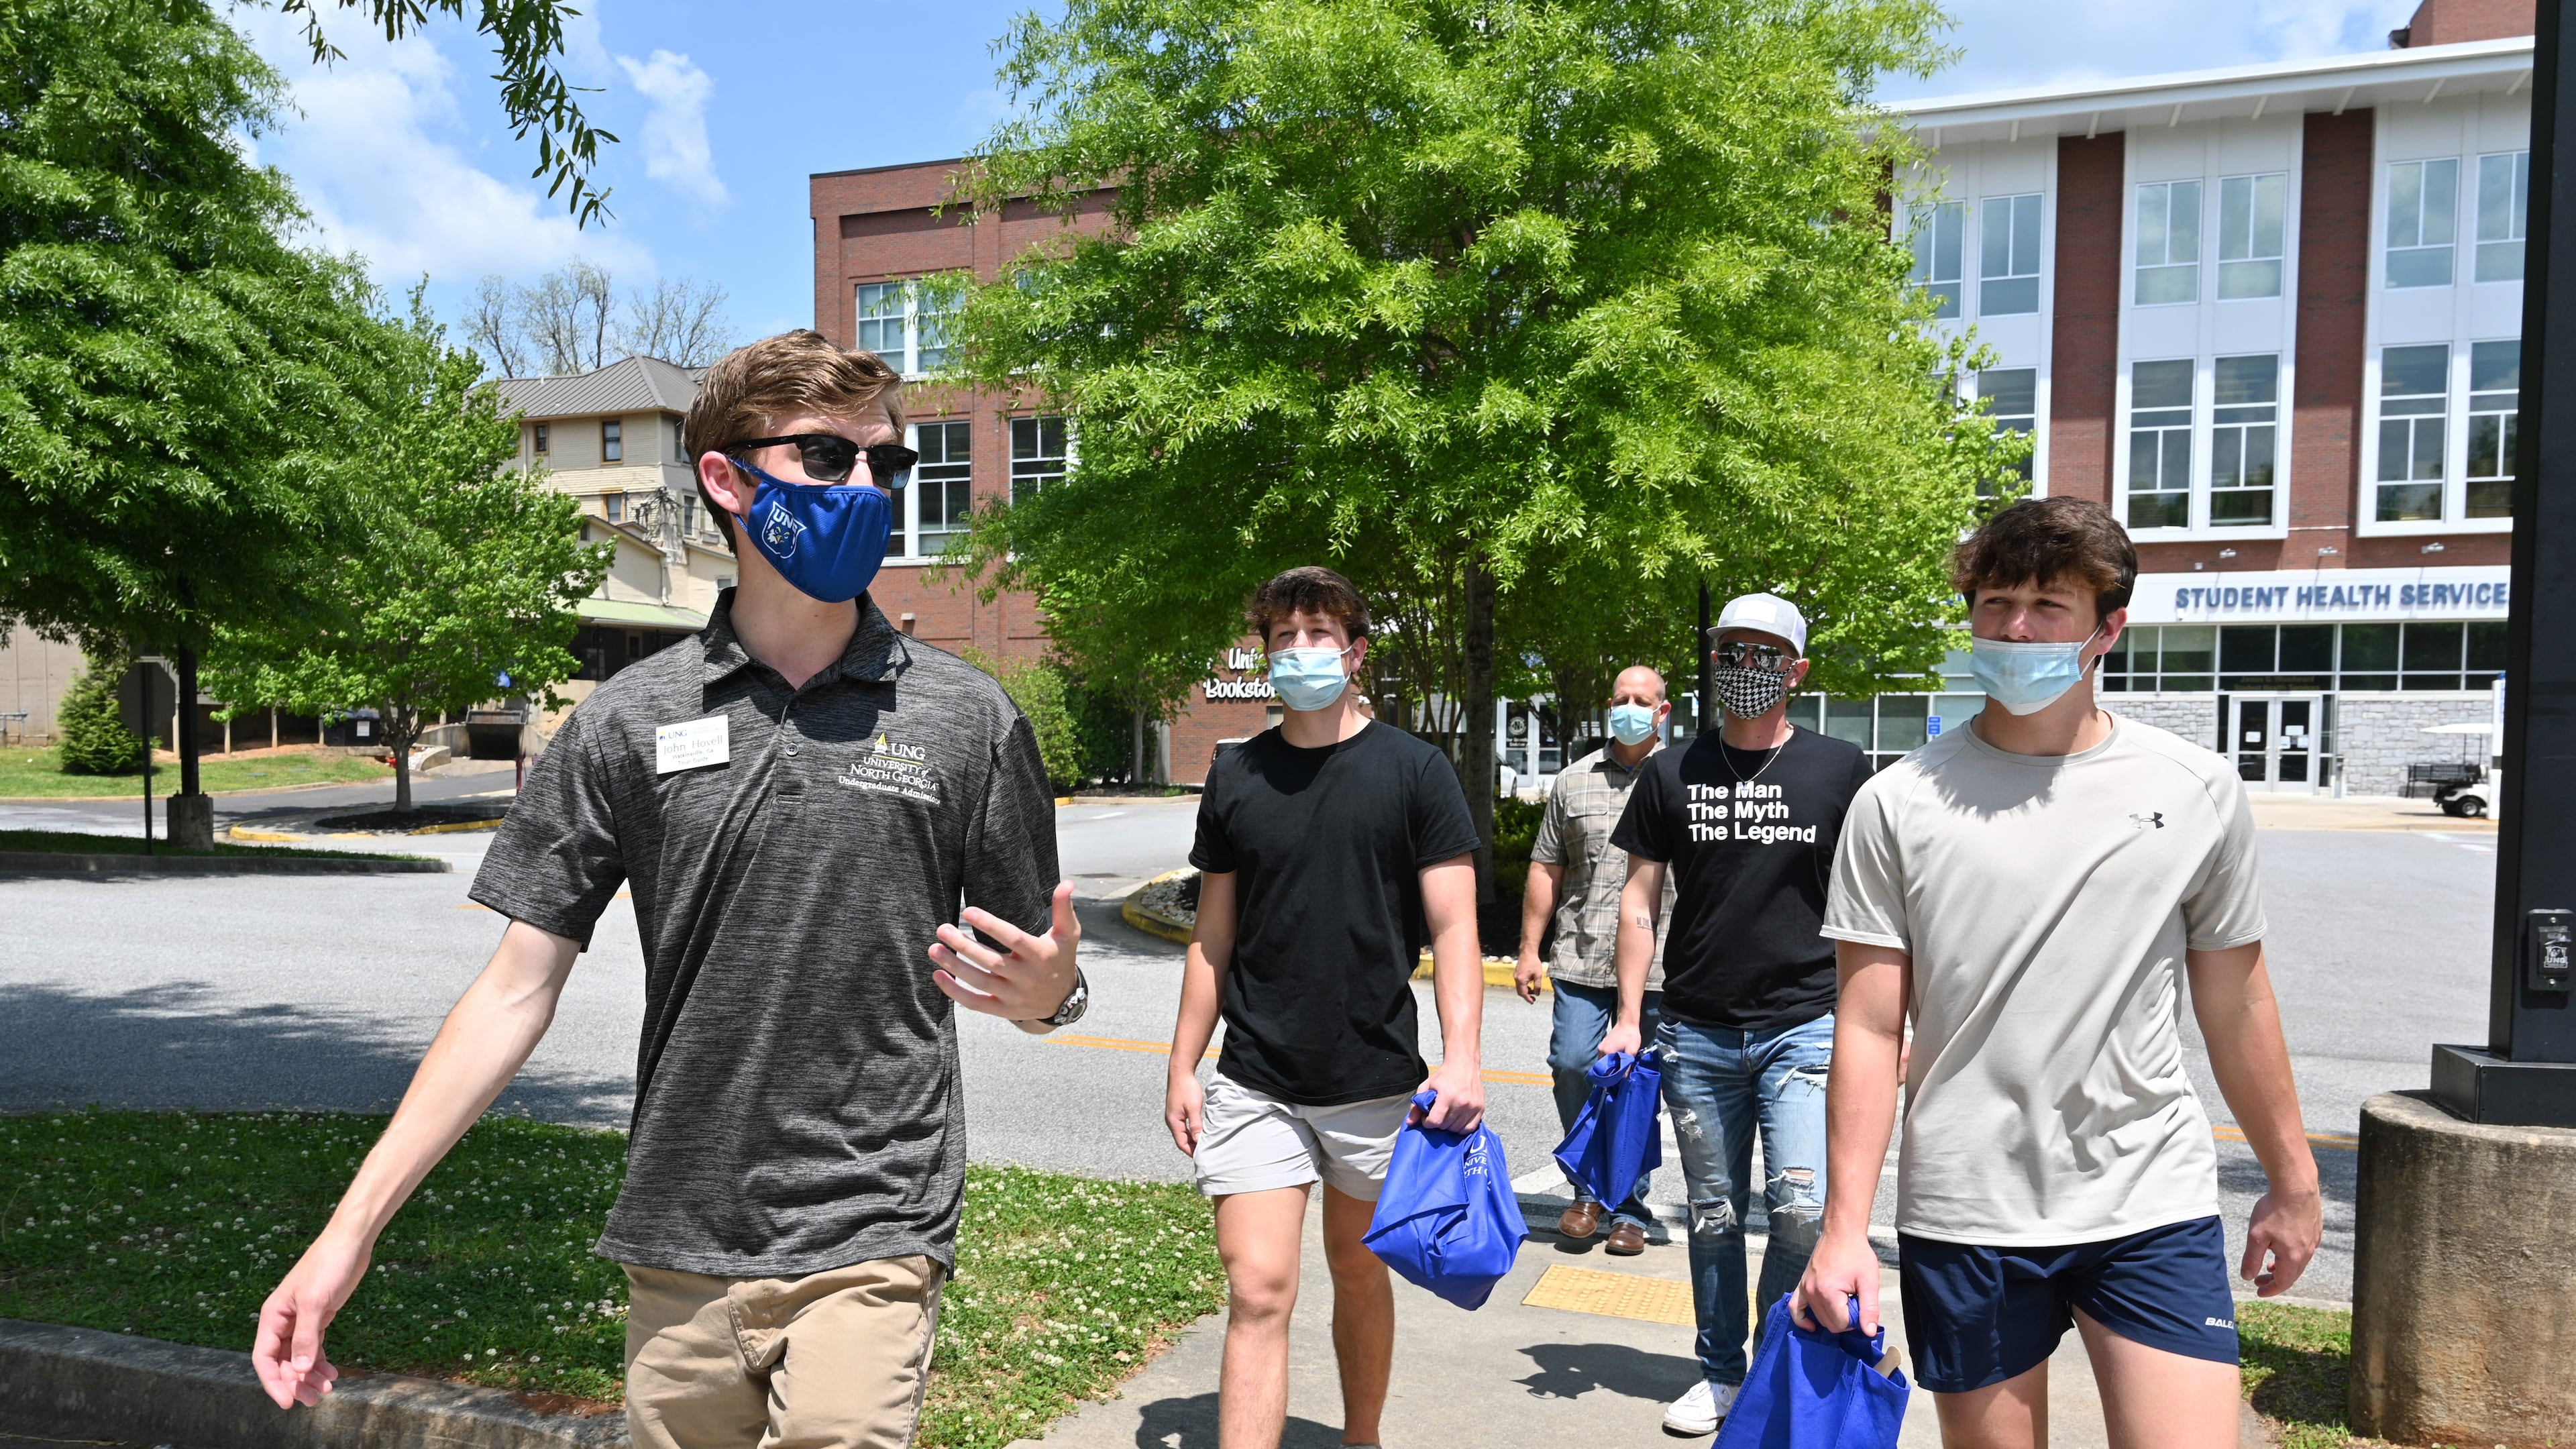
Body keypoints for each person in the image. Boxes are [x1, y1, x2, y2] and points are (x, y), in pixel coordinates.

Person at [250, 331, 1087, 1449]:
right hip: (677, 1241)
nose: (866, 494)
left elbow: (1037, 978)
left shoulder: (964, 720)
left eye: (883, 467)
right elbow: (513, 991)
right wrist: (347, 1232)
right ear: (726, 479)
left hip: (872, 1231)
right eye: (829, 462)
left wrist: (1053, 992)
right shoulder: (625, 724)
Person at [1796, 497, 2321, 1449]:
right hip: (1968, 1204)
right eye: (1996, 604)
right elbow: (1871, 1029)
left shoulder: (2193, 788)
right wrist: (1844, 1229)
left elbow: (2236, 996)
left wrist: (2292, 1178)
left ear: (2109, 628)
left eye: (2049, 605)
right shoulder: (1896, 802)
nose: (2018, 629)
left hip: (2147, 1198)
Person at [1165, 566, 1487, 1449]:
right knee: (1259, 1288)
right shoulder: (1235, 775)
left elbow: (1455, 927)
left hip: (1375, 1081)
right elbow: (1212, 935)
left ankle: (1363, 1437)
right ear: (1263, 653)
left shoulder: (1415, 771)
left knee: (1357, 1271)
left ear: (1355, 653)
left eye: (1318, 636)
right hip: (1257, 1079)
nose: (1300, 652)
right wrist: (1182, 1063)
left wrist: (1463, 1058)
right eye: (1282, 638)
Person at [1602, 593, 1872, 1437]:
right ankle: (1719, 1372)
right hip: (1697, 1028)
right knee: (1714, 1215)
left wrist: (1888, 1029)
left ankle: (1774, 1360)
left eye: (1763, 654)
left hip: (1805, 1023)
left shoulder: (1840, 768)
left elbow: (1871, 912)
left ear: (1796, 670)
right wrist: (1627, 1014)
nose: (1743, 667)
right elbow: (1639, 902)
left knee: (1798, 1211)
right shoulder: (1670, 769)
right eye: (1729, 651)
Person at [1515, 665, 1678, 1255]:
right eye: (1621, 699)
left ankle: (1629, 1208)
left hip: (1662, 966)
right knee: (1573, 1064)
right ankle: (1586, 1190)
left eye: (1643, 700)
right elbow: (1545, 868)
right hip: (1581, 956)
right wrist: (1530, 949)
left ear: (1663, 711)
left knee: (1636, 1087)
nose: (1630, 708)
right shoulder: (1573, 781)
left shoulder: (1683, 778)